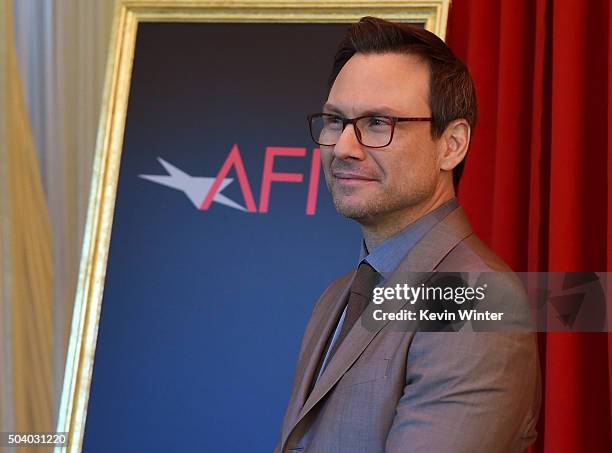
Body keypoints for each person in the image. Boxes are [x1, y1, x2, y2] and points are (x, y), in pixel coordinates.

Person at [275, 17, 541, 453]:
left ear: (452, 144)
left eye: (378, 122)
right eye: (334, 120)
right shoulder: (338, 295)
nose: (344, 146)